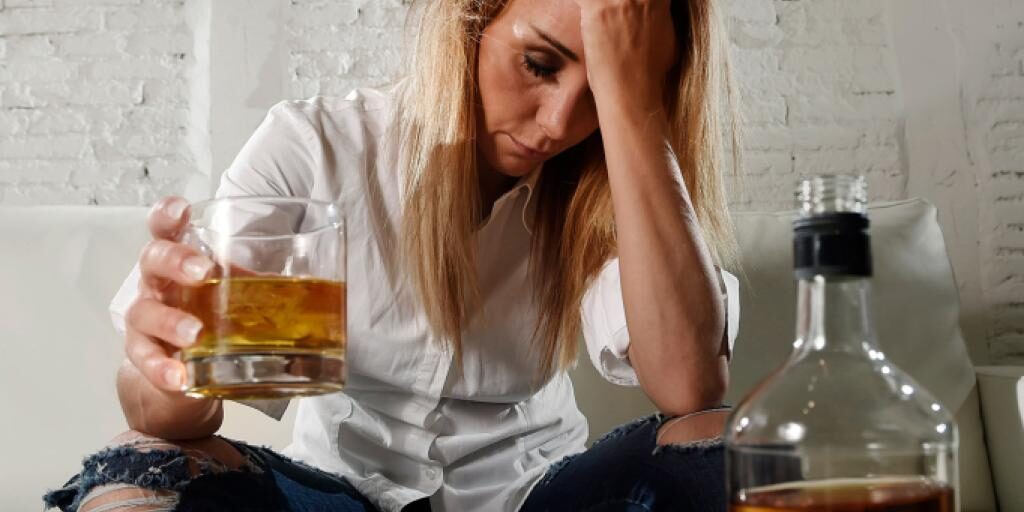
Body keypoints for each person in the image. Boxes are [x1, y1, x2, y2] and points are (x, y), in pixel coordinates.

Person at [45, 0, 741, 510]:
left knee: (722, 447)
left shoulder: (612, 182)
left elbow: (690, 392)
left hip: (532, 494)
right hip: (337, 490)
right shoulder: (318, 152)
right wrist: (174, 373)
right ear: (471, 21)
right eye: (538, 64)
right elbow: (169, 409)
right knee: (139, 471)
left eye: (605, 90)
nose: (559, 123)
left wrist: (634, 112)